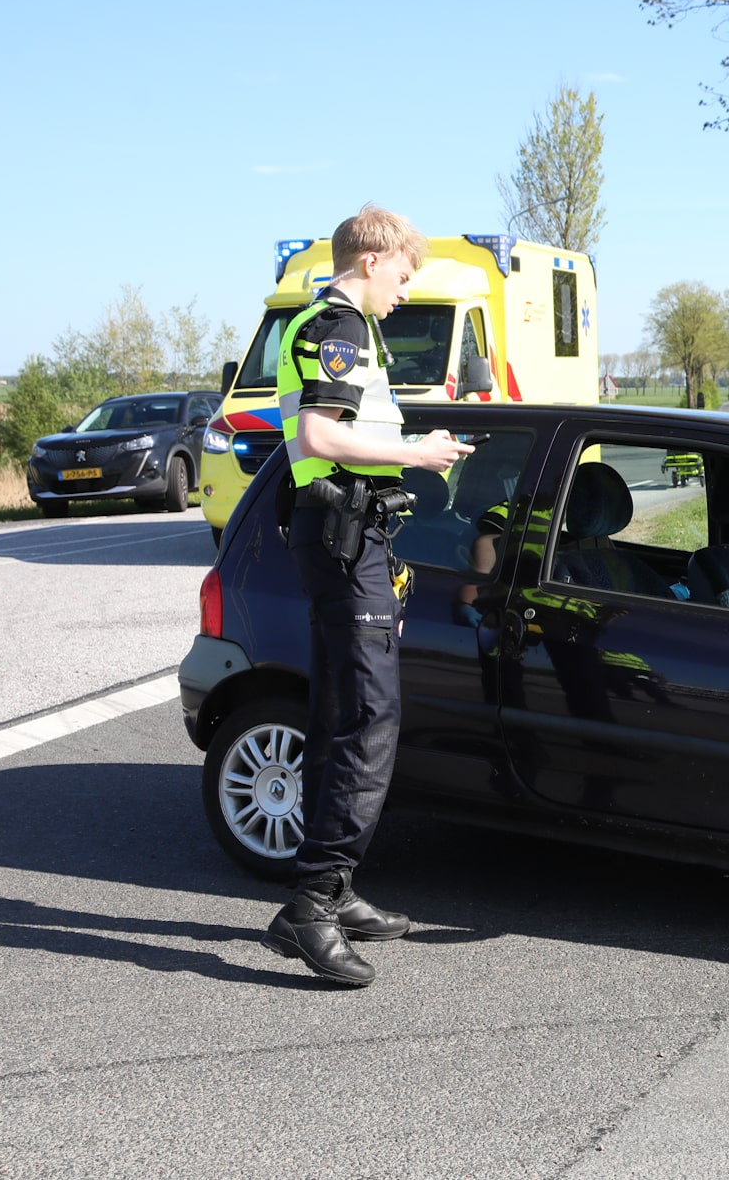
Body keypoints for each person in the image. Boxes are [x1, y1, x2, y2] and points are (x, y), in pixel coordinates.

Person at [261, 206, 473, 986]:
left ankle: (335, 889)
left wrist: (413, 455)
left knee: (336, 716)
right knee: (366, 719)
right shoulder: (338, 325)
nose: (406, 290)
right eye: (406, 274)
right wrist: (416, 452)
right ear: (376, 257)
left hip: (349, 536)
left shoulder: (348, 328)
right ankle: (310, 907)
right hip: (346, 541)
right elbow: (318, 438)